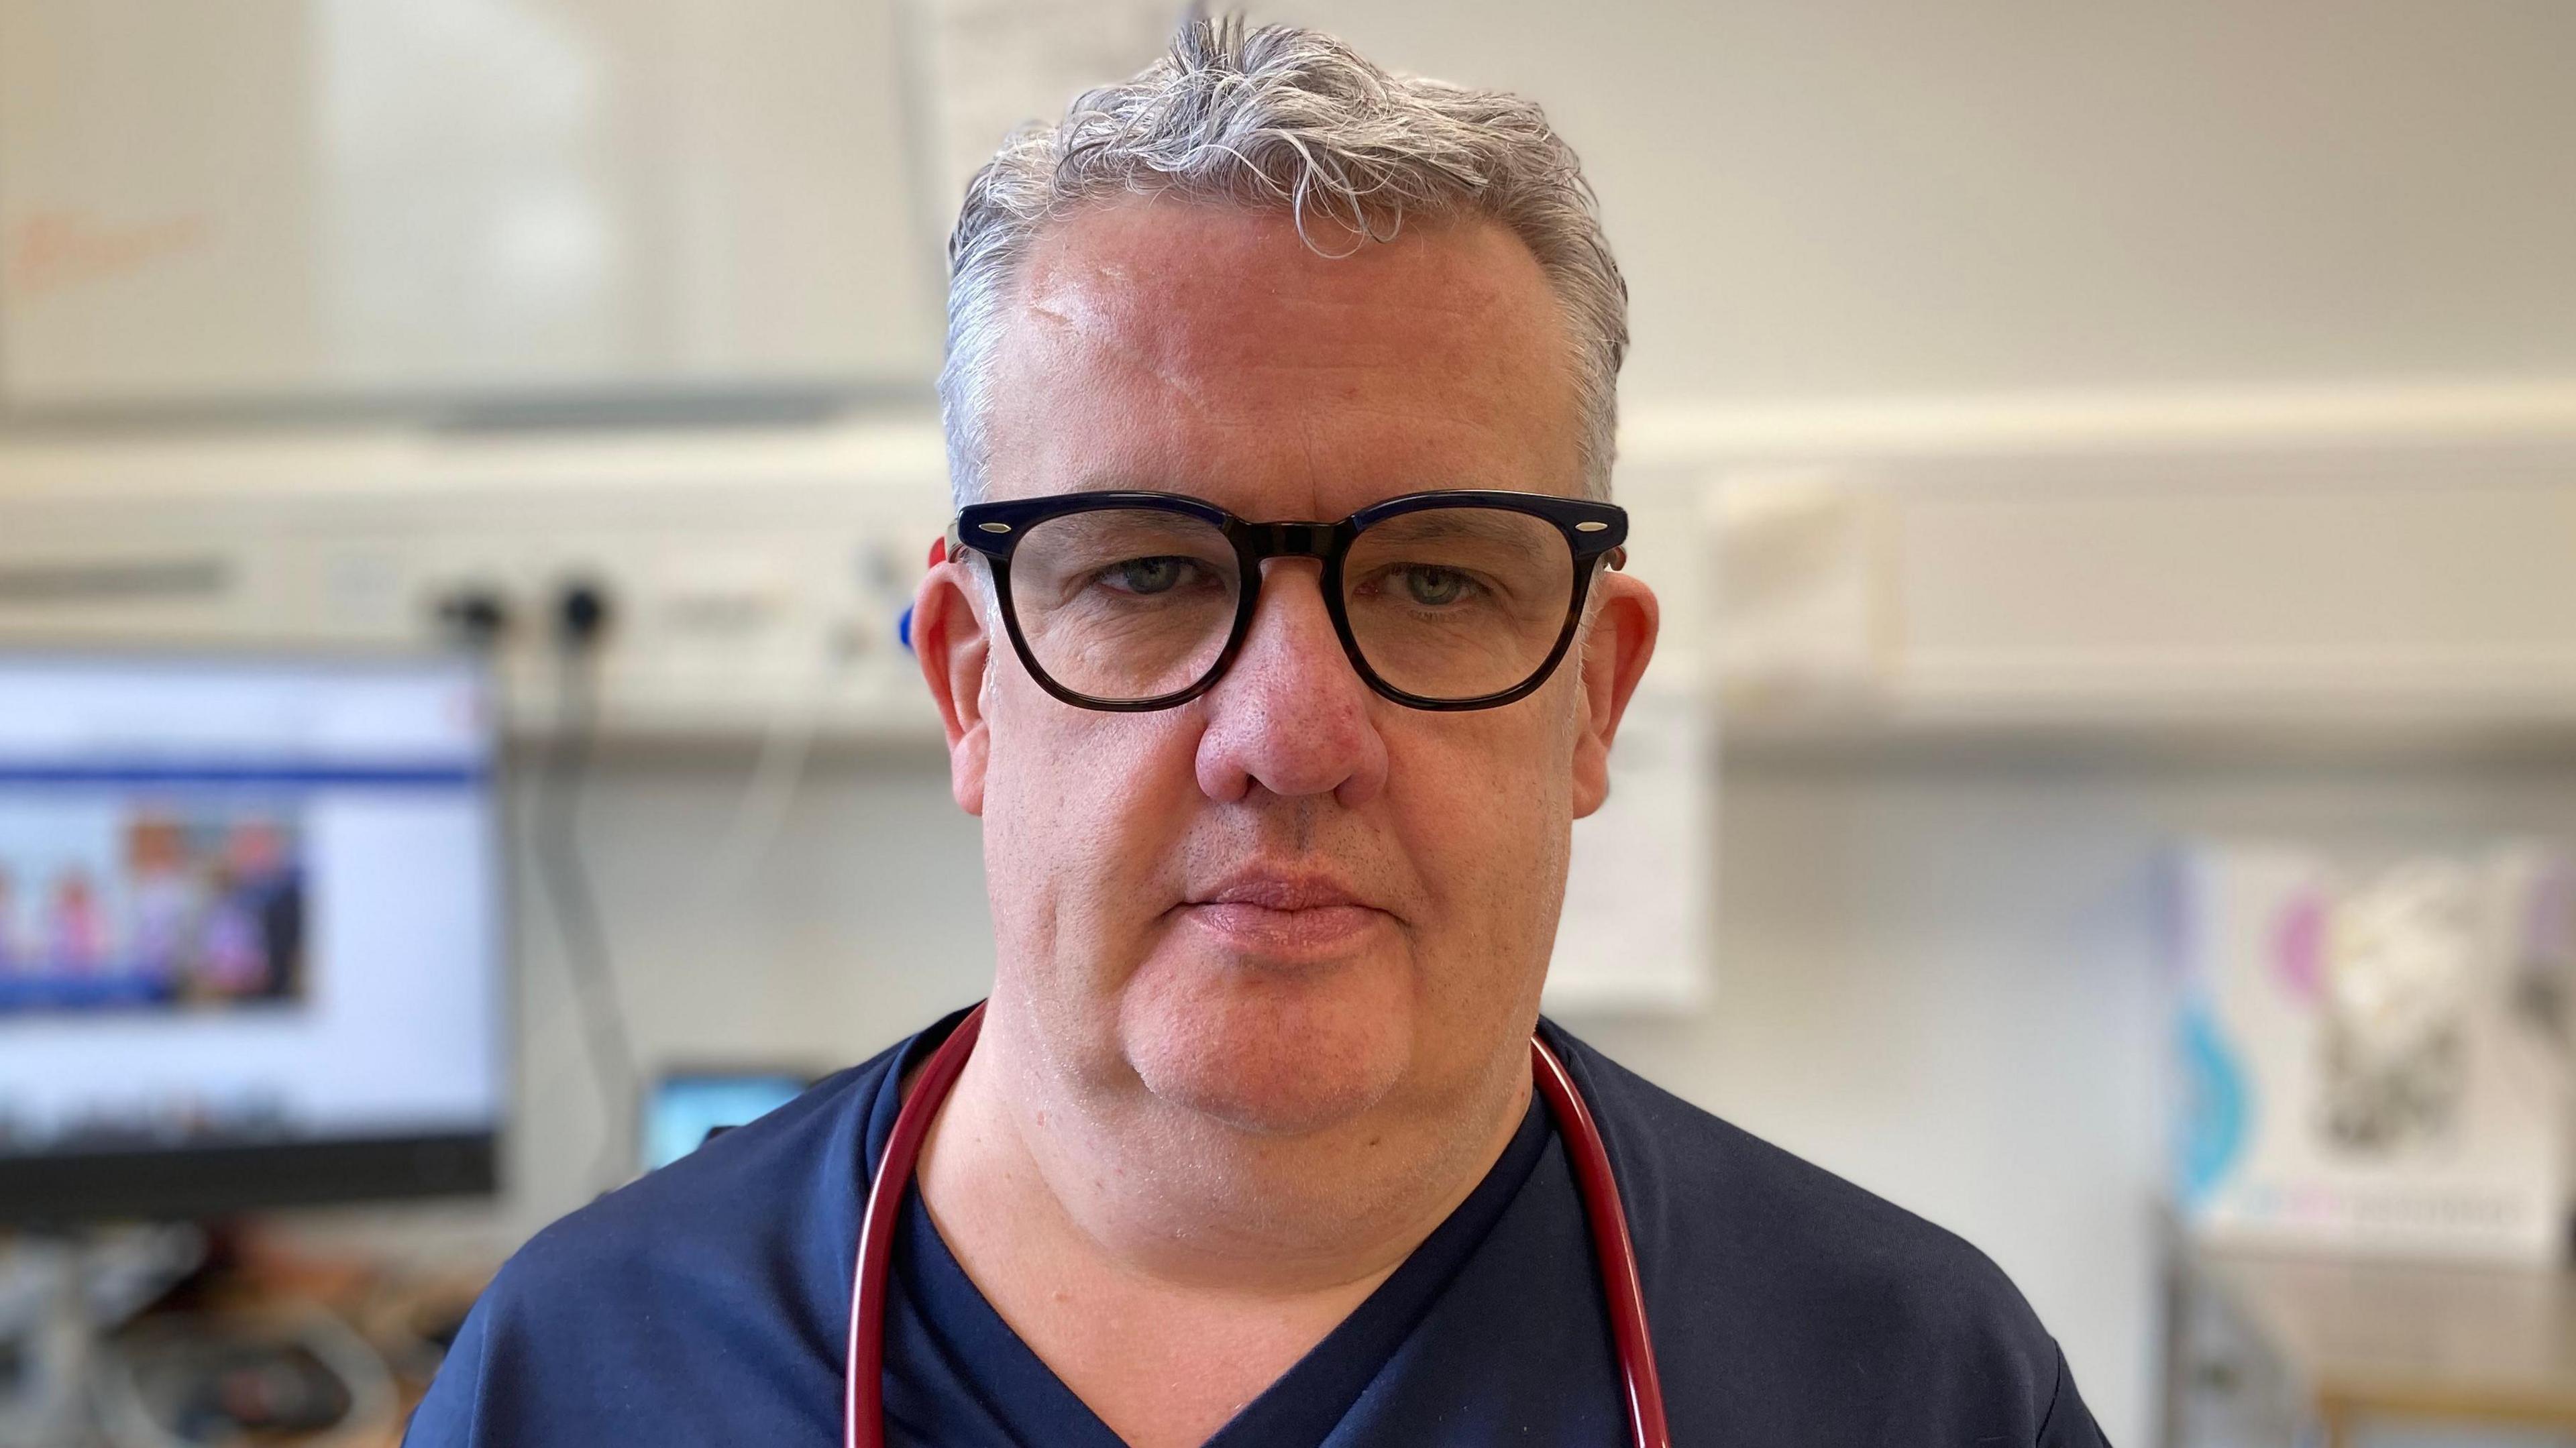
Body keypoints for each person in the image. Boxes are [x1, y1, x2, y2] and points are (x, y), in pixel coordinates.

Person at [409, 19, 2109, 1447]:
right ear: (965, 684)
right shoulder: (584, 1373)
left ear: (1594, 697)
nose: (1291, 738)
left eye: (1437, 582)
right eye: (1149, 571)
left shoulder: (1911, 1386)